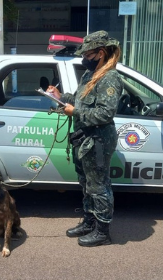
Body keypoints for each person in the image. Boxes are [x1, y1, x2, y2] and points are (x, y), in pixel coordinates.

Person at [46, 30, 122, 247]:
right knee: (86, 183)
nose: (84, 59)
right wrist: (61, 98)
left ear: (100, 53)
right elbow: (81, 101)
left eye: (87, 54)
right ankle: (89, 222)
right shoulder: (90, 75)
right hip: (83, 138)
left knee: (99, 186)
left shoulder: (110, 78)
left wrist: (75, 113)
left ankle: (103, 231)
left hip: (98, 140)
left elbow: (105, 114)